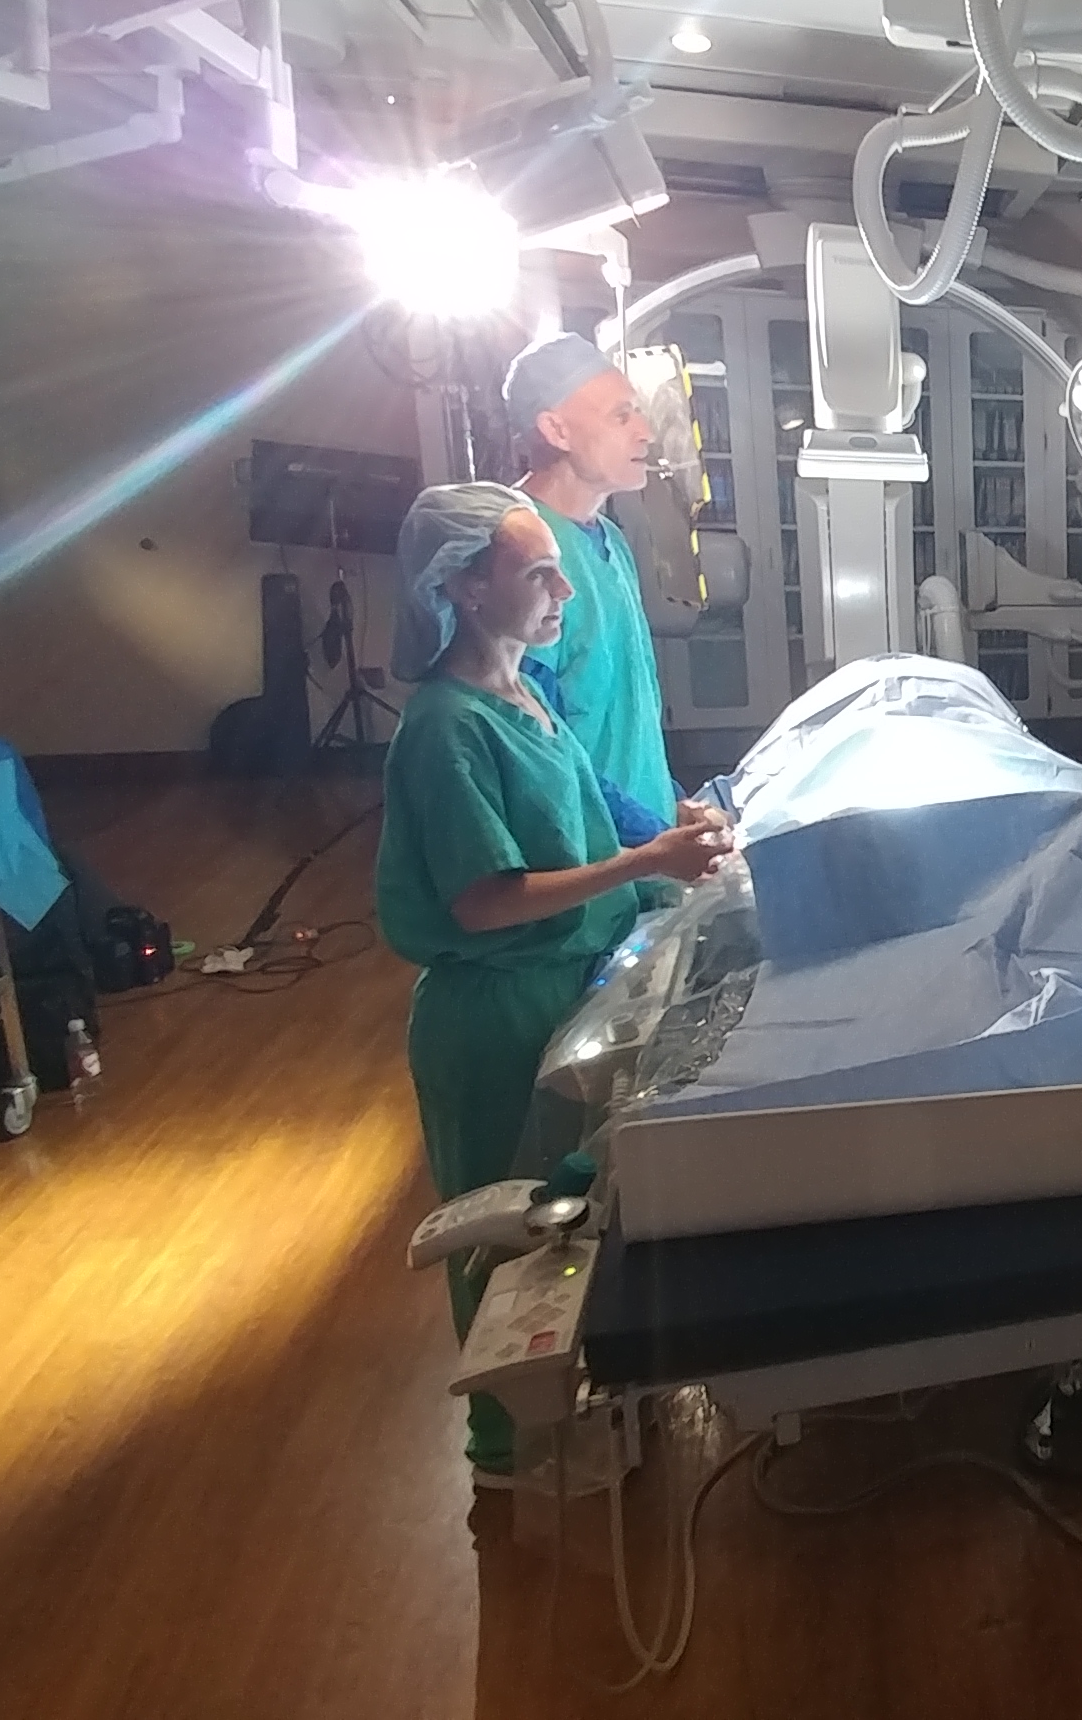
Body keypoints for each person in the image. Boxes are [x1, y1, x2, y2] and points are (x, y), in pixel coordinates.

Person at [375, 484, 729, 1483]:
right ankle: (506, 1447)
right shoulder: (446, 728)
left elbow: (590, 795)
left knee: (571, 1209)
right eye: (538, 574)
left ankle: (578, 1397)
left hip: (565, 987)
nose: (564, 591)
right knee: (503, 1226)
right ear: (462, 586)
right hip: (492, 1013)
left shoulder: (521, 694)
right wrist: (643, 865)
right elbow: (484, 901)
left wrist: (675, 822)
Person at [492, 331, 682, 844]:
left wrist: (669, 805)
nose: (645, 433)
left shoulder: (610, 540)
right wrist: (644, 833)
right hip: (583, 848)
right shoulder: (518, 547)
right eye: (622, 416)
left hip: (639, 842)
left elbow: (624, 712)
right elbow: (538, 740)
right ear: (556, 429)